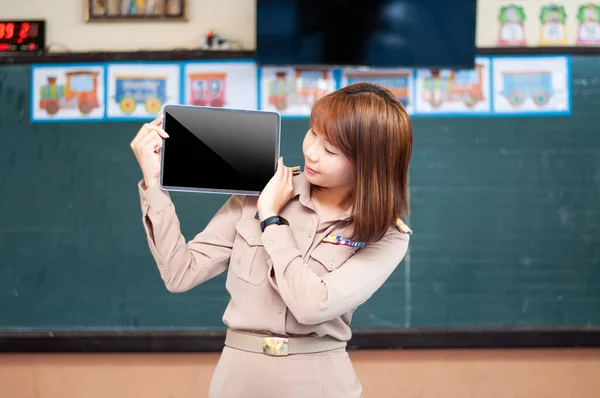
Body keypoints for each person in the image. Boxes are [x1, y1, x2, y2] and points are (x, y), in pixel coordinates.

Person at [130, 82, 413, 398]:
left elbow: (311, 307)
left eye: (330, 150)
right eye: (313, 133)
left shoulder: (386, 235)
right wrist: (154, 184)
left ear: (369, 164)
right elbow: (180, 274)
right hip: (237, 380)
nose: (311, 152)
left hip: (320, 383)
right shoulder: (258, 188)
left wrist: (271, 218)